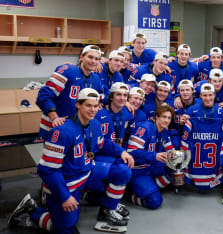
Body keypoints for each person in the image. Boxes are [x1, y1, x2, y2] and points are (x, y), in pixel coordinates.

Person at [9, 88, 134, 233]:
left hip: (87, 172)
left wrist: (122, 152)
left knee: (123, 171)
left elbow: (102, 143)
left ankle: (106, 213)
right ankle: (32, 210)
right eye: (88, 105)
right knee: (66, 228)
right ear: (78, 105)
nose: (93, 110)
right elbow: (47, 170)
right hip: (68, 181)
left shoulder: (94, 124)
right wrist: (64, 196)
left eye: (95, 106)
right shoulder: (61, 131)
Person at [36, 45, 104, 139]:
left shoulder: (96, 79)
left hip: (77, 130)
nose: (93, 61)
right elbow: (44, 95)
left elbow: (100, 98)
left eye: (97, 59)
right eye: (90, 57)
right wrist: (54, 117)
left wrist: (99, 103)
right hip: (57, 127)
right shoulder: (68, 70)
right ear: (81, 57)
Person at [126, 105, 175, 209]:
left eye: (169, 118)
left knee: (174, 169)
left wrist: (179, 159)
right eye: (164, 117)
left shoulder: (164, 131)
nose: (166, 120)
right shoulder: (144, 128)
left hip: (150, 166)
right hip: (137, 170)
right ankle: (128, 195)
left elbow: (171, 150)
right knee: (155, 201)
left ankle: (150, 187)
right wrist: (155, 155)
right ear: (156, 117)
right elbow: (132, 153)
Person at [95, 82, 134, 148]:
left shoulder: (128, 113)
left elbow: (131, 134)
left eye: (125, 95)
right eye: (118, 94)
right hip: (102, 152)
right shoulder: (98, 113)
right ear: (111, 97)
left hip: (119, 151)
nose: (122, 98)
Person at [171, 79, 201, 149]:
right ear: (179, 92)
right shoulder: (173, 104)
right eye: (182, 90)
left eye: (187, 90)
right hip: (179, 134)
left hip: (195, 134)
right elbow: (171, 126)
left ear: (192, 91)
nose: (185, 92)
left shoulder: (200, 104)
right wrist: (180, 124)